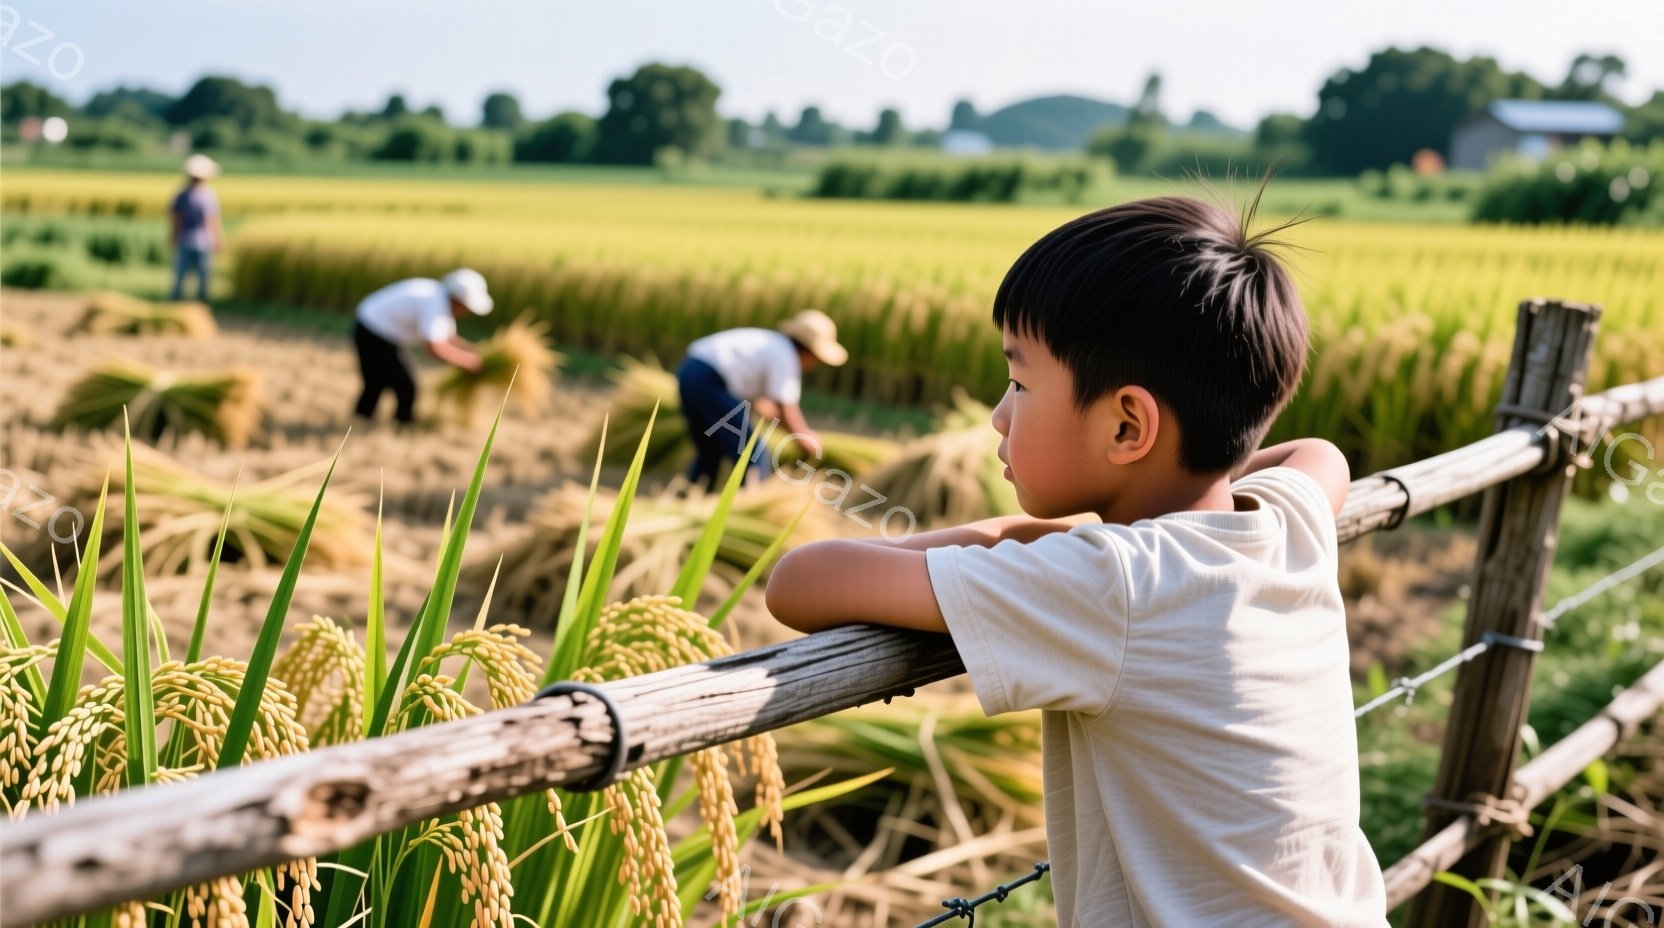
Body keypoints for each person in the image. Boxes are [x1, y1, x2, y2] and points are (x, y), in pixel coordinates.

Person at [765, 194, 1389, 926]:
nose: (999, 414)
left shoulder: (1113, 582)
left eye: (1021, 384)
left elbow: (800, 583)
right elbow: (1320, 456)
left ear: (1128, 425)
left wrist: (1009, 539)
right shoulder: (1288, 525)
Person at [675, 309, 848, 491]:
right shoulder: (785, 356)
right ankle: (747, 506)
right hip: (708, 381)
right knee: (754, 454)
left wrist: (791, 430)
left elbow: (765, 408)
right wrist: (805, 439)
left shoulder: (772, 346)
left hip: (690, 374)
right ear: (809, 352)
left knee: (710, 450)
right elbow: (786, 407)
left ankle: (692, 498)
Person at [351, 269, 490, 425]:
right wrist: (468, 363)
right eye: (467, 307)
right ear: (458, 299)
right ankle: (401, 424)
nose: (467, 312)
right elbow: (434, 348)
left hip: (379, 333)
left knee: (377, 381)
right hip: (372, 332)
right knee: (404, 385)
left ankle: (362, 419)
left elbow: (448, 338)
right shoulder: (434, 303)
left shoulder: (440, 299)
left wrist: (476, 351)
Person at [169, 154, 224, 302]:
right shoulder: (208, 195)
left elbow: (176, 220)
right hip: (204, 241)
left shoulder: (181, 195)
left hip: (185, 239)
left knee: (181, 274)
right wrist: (218, 240)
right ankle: (201, 303)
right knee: (203, 276)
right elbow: (211, 221)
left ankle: (175, 301)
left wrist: (173, 237)